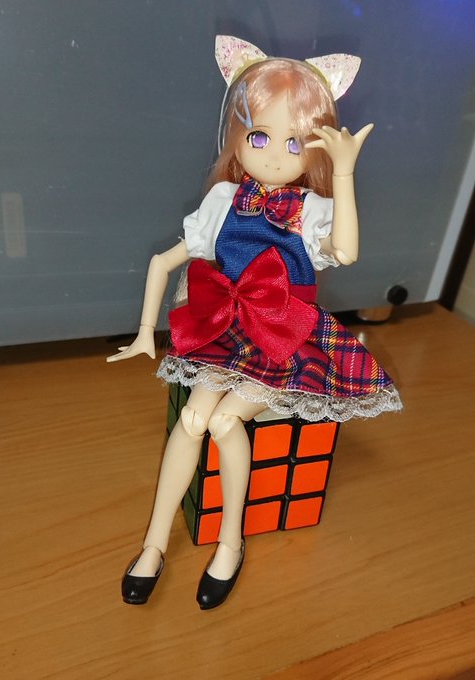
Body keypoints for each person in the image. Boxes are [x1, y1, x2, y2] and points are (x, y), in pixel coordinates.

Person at [107, 36, 401, 610]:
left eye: (293, 143)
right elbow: (164, 261)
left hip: (286, 332)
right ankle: (153, 544)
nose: (272, 155)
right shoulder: (224, 198)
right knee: (193, 416)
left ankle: (230, 543)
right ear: (238, 136)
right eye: (259, 137)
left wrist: (344, 174)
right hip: (229, 324)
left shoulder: (310, 209)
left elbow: (345, 253)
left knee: (222, 423)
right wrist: (145, 332)